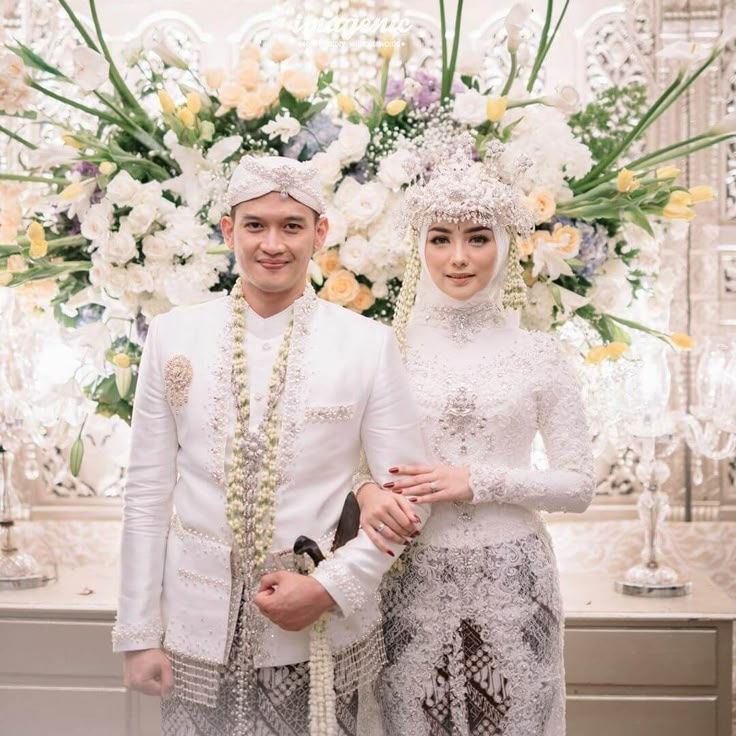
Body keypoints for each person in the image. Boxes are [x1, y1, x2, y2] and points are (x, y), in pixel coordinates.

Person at [112, 155, 429, 736]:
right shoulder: (174, 334)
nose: (273, 244)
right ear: (228, 231)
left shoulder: (366, 345)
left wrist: (330, 588)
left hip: (314, 631)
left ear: (321, 232)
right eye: (255, 225)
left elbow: (410, 497)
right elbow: (147, 492)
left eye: (292, 225)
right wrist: (138, 634)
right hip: (193, 627)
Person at [356, 137, 594, 736]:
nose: (458, 258)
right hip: (408, 575)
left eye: (477, 238)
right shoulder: (384, 350)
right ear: (419, 249)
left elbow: (579, 485)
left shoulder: (540, 354)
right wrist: (365, 492)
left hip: (515, 578)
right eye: (441, 239)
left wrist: (477, 481)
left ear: (505, 246)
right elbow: (348, 464)